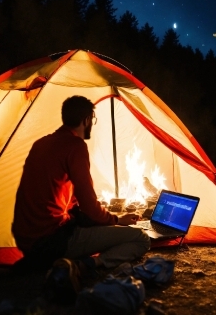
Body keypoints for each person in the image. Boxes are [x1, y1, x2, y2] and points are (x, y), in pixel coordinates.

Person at [12, 95, 150, 272]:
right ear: (86, 120)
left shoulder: (41, 143)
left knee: (90, 224)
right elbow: (89, 206)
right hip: (52, 240)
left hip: (26, 238)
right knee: (141, 238)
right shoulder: (75, 146)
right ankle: (86, 265)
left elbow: (66, 200)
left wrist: (111, 220)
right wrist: (115, 220)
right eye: (92, 119)